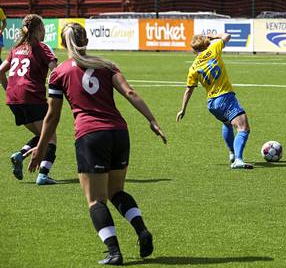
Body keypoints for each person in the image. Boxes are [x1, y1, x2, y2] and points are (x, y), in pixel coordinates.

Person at [27, 22, 167, 265]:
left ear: (63, 43)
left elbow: (52, 116)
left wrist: (41, 148)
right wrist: (152, 120)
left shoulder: (59, 73)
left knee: (95, 200)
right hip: (119, 133)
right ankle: (142, 230)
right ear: (87, 41)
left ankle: (114, 252)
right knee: (116, 192)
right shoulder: (106, 64)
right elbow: (130, 93)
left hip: (90, 136)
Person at [176, 33, 253, 169]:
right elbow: (227, 35)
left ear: (194, 50)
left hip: (212, 104)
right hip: (225, 97)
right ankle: (238, 160)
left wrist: (183, 109)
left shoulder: (193, 68)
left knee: (227, 123)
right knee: (243, 128)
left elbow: (189, 89)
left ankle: (232, 152)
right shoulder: (213, 48)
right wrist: (213, 36)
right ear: (206, 43)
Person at [0, 14, 58, 185]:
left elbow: (0, 70)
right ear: (39, 29)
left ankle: (20, 155)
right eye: (44, 28)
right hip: (32, 97)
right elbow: (55, 72)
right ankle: (43, 175)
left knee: (41, 135)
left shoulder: (16, 49)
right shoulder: (42, 48)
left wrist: (8, 89)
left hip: (13, 99)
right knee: (51, 138)